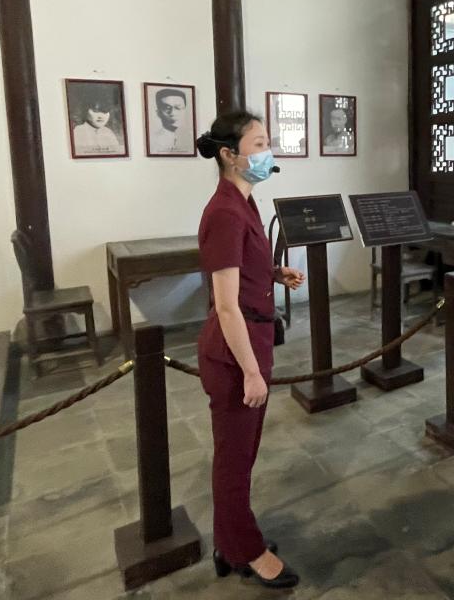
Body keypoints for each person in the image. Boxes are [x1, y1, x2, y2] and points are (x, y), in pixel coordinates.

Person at [195, 111, 305, 589]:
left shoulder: (244, 201)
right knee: (235, 461)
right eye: (259, 144)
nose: (267, 152)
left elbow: (242, 268)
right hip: (234, 354)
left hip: (252, 340)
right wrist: (252, 372)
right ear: (229, 155)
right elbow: (225, 305)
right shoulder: (224, 211)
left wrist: (274, 274)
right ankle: (245, 550)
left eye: (267, 142)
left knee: (241, 454)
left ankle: (228, 542)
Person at [149, 87, 190, 154]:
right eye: (167, 108)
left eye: (178, 108)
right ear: (158, 113)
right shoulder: (153, 141)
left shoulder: (191, 138)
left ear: (185, 111)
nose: (173, 113)